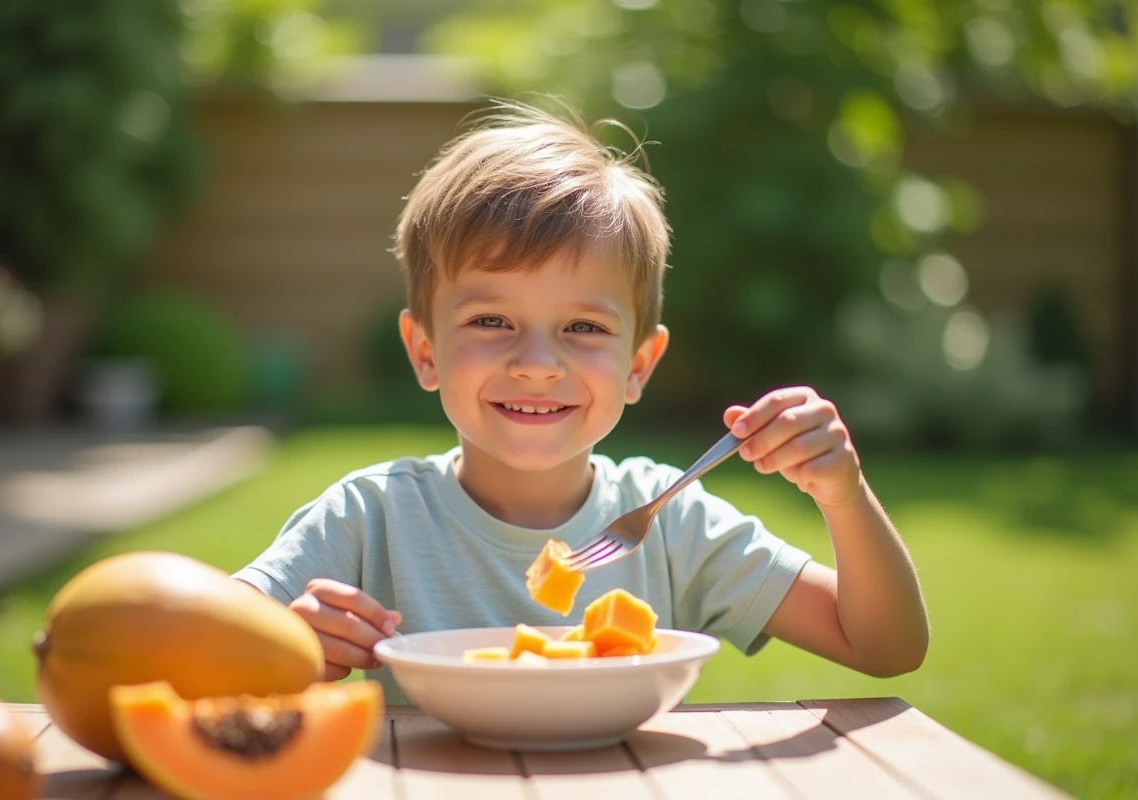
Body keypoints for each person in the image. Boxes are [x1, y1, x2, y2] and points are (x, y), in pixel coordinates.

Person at [234, 100, 929, 705]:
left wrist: (845, 495)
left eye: (583, 328)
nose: (537, 365)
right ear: (424, 352)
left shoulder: (670, 520)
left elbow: (883, 646)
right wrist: (284, 643)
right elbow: (203, 640)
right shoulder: (370, 517)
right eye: (491, 321)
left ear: (638, 365)